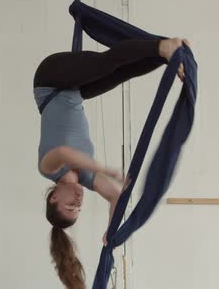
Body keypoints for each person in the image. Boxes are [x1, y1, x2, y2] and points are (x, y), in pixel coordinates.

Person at [33, 37, 189, 289]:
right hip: (74, 91)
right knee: (122, 72)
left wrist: (102, 168)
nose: (78, 203)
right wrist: (111, 230)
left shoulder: (48, 168)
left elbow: (65, 152)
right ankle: (168, 57)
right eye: (78, 209)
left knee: (107, 62)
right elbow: (116, 196)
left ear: (54, 198)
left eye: (69, 206)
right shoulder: (86, 179)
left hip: (50, 81)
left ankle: (163, 46)